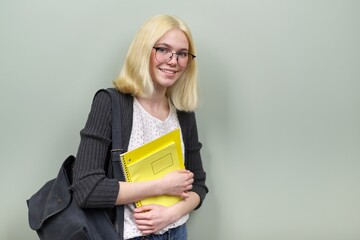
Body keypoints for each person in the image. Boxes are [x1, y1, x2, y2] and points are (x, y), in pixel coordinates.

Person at [70, 15, 208, 240]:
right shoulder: (111, 103)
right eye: (163, 49)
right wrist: (162, 186)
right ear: (144, 50)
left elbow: (199, 185)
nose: (173, 60)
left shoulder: (183, 112)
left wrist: (171, 213)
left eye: (182, 54)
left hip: (177, 231)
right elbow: (87, 189)